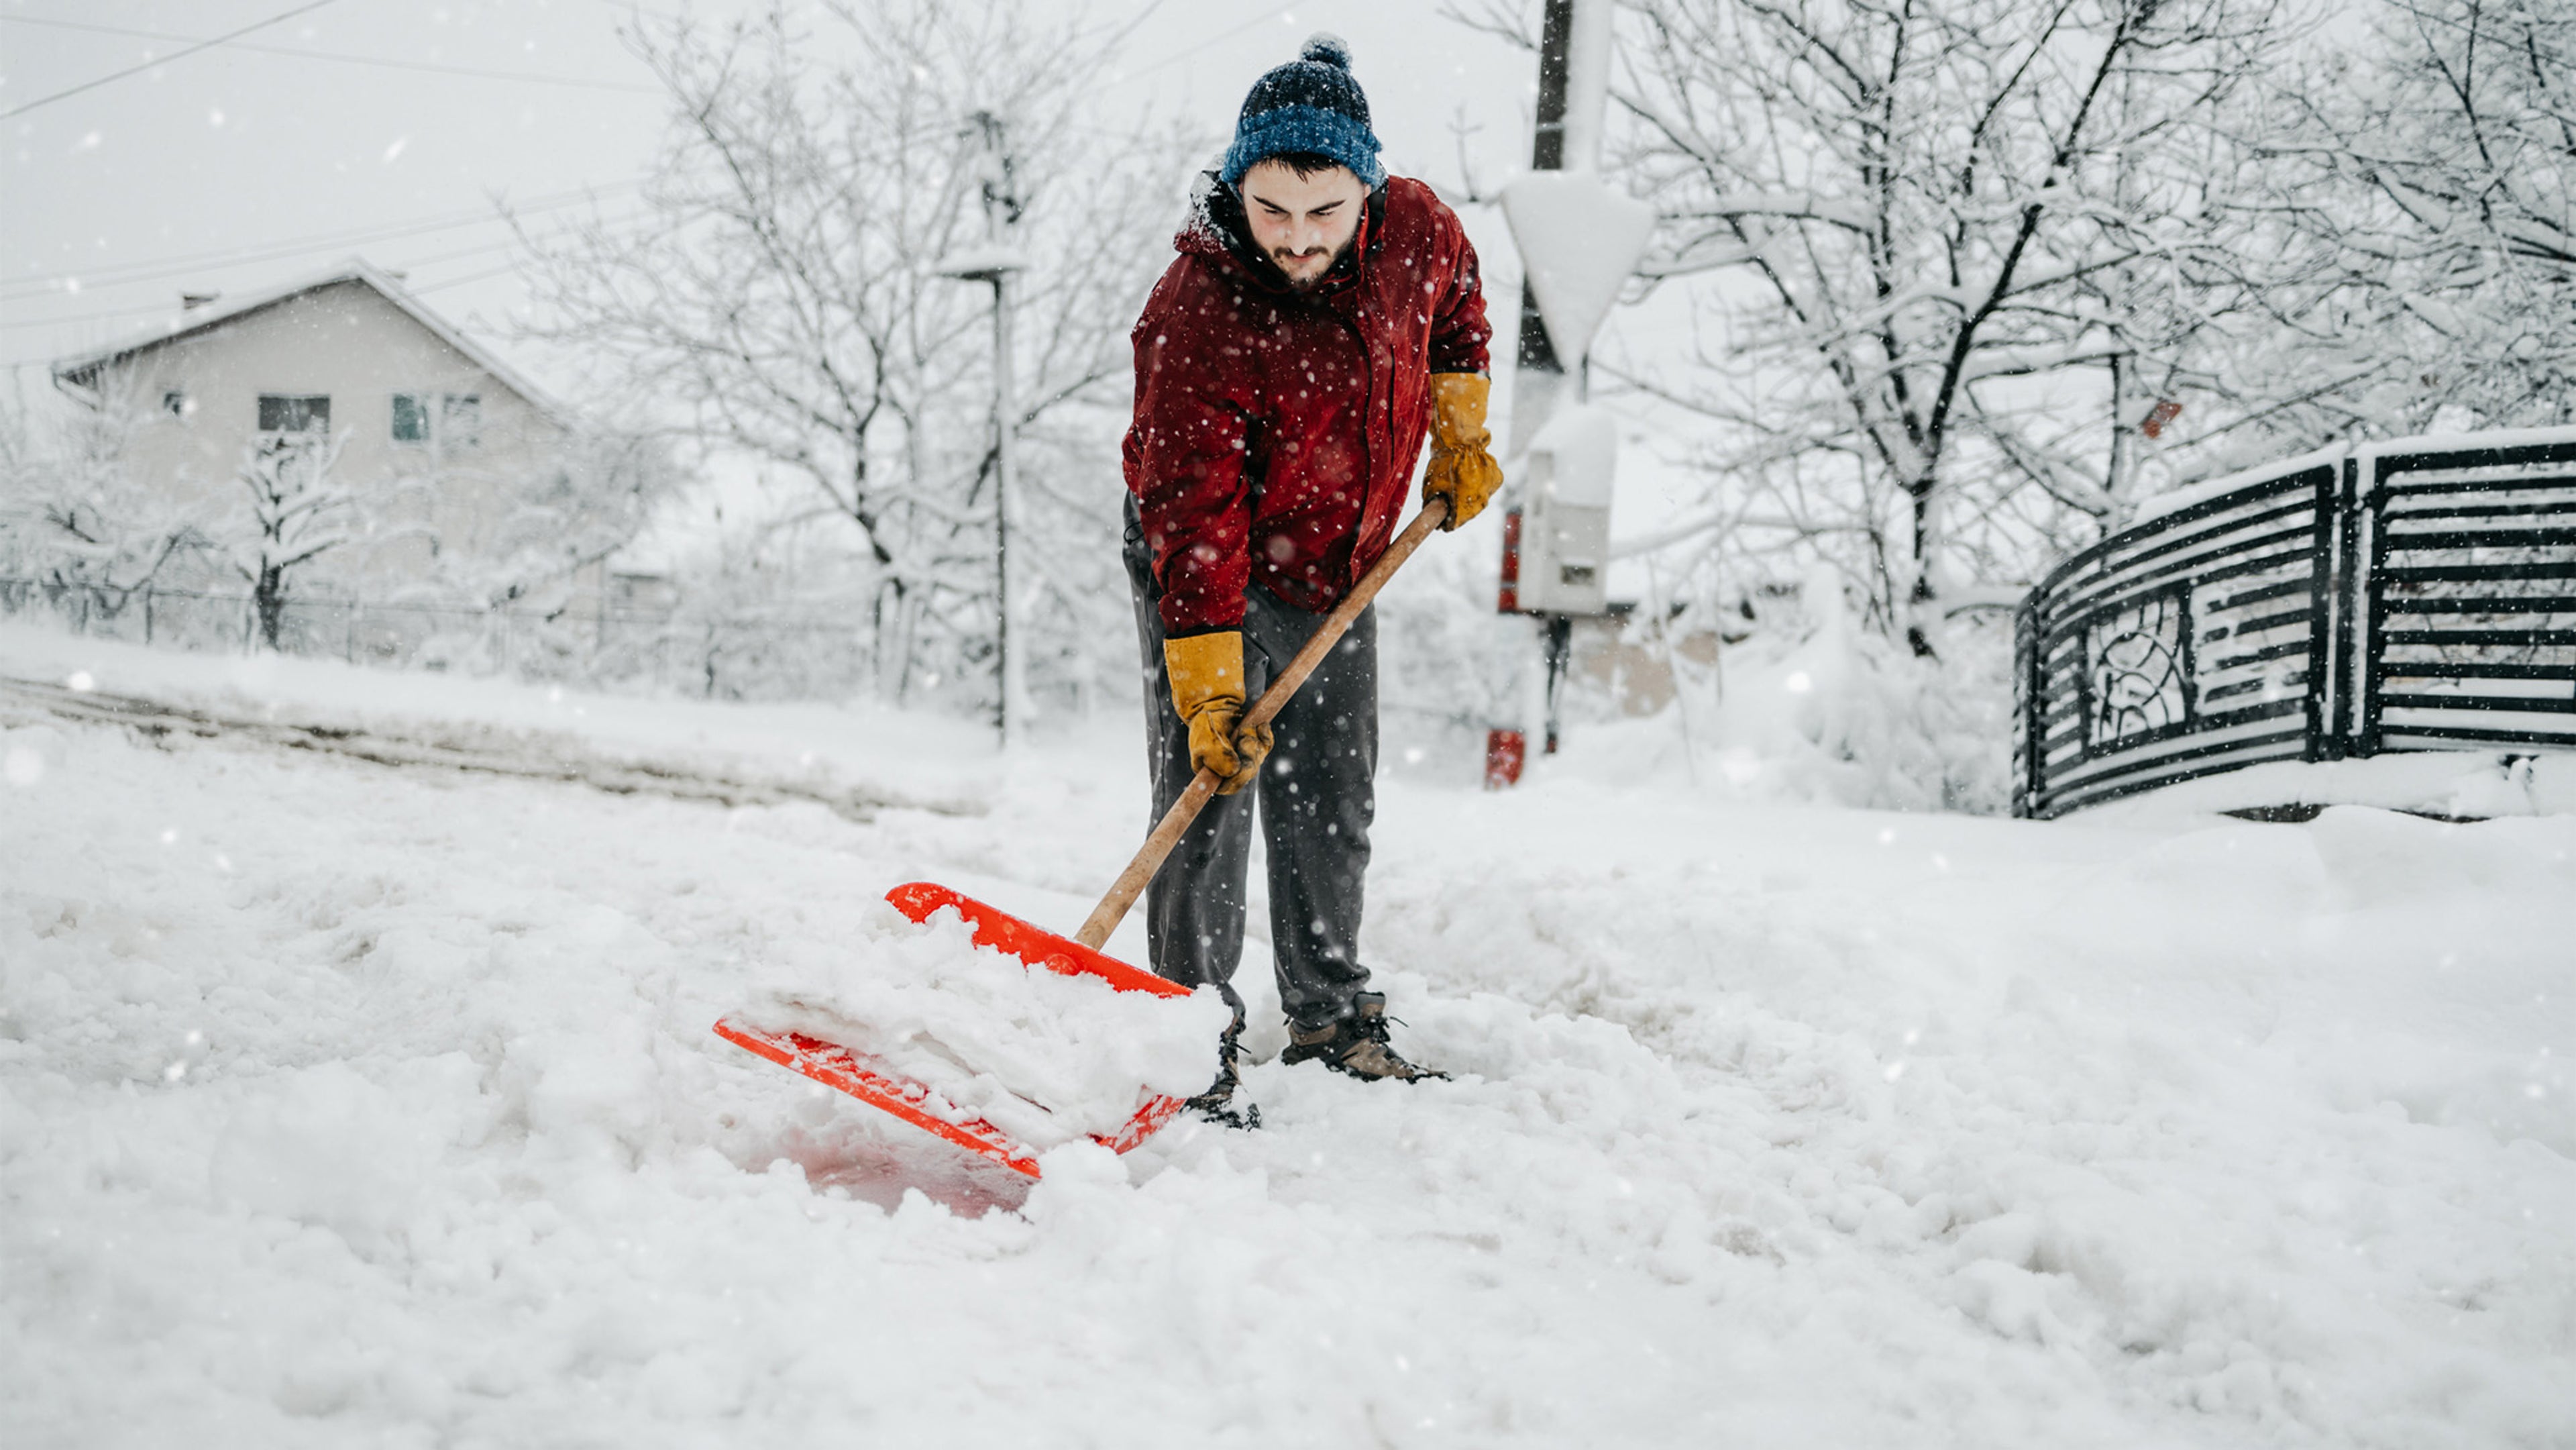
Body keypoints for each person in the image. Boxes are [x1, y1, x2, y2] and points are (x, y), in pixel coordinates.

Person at [1121, 34, 1502, 1117]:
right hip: (1210, 567)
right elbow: (1191, 511)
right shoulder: (1197, 314)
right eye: (1271, 209)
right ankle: (1185, 1036)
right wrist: (1207, 686)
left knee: (1334, 789)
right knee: (1213, 789)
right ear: (1237, 186)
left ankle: (1331, 1015)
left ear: (1367, 192)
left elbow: (1461, 310)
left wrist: (1460, 434)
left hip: (1341, 563)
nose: (1295, 240)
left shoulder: (1420, 230)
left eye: (1324, 213)